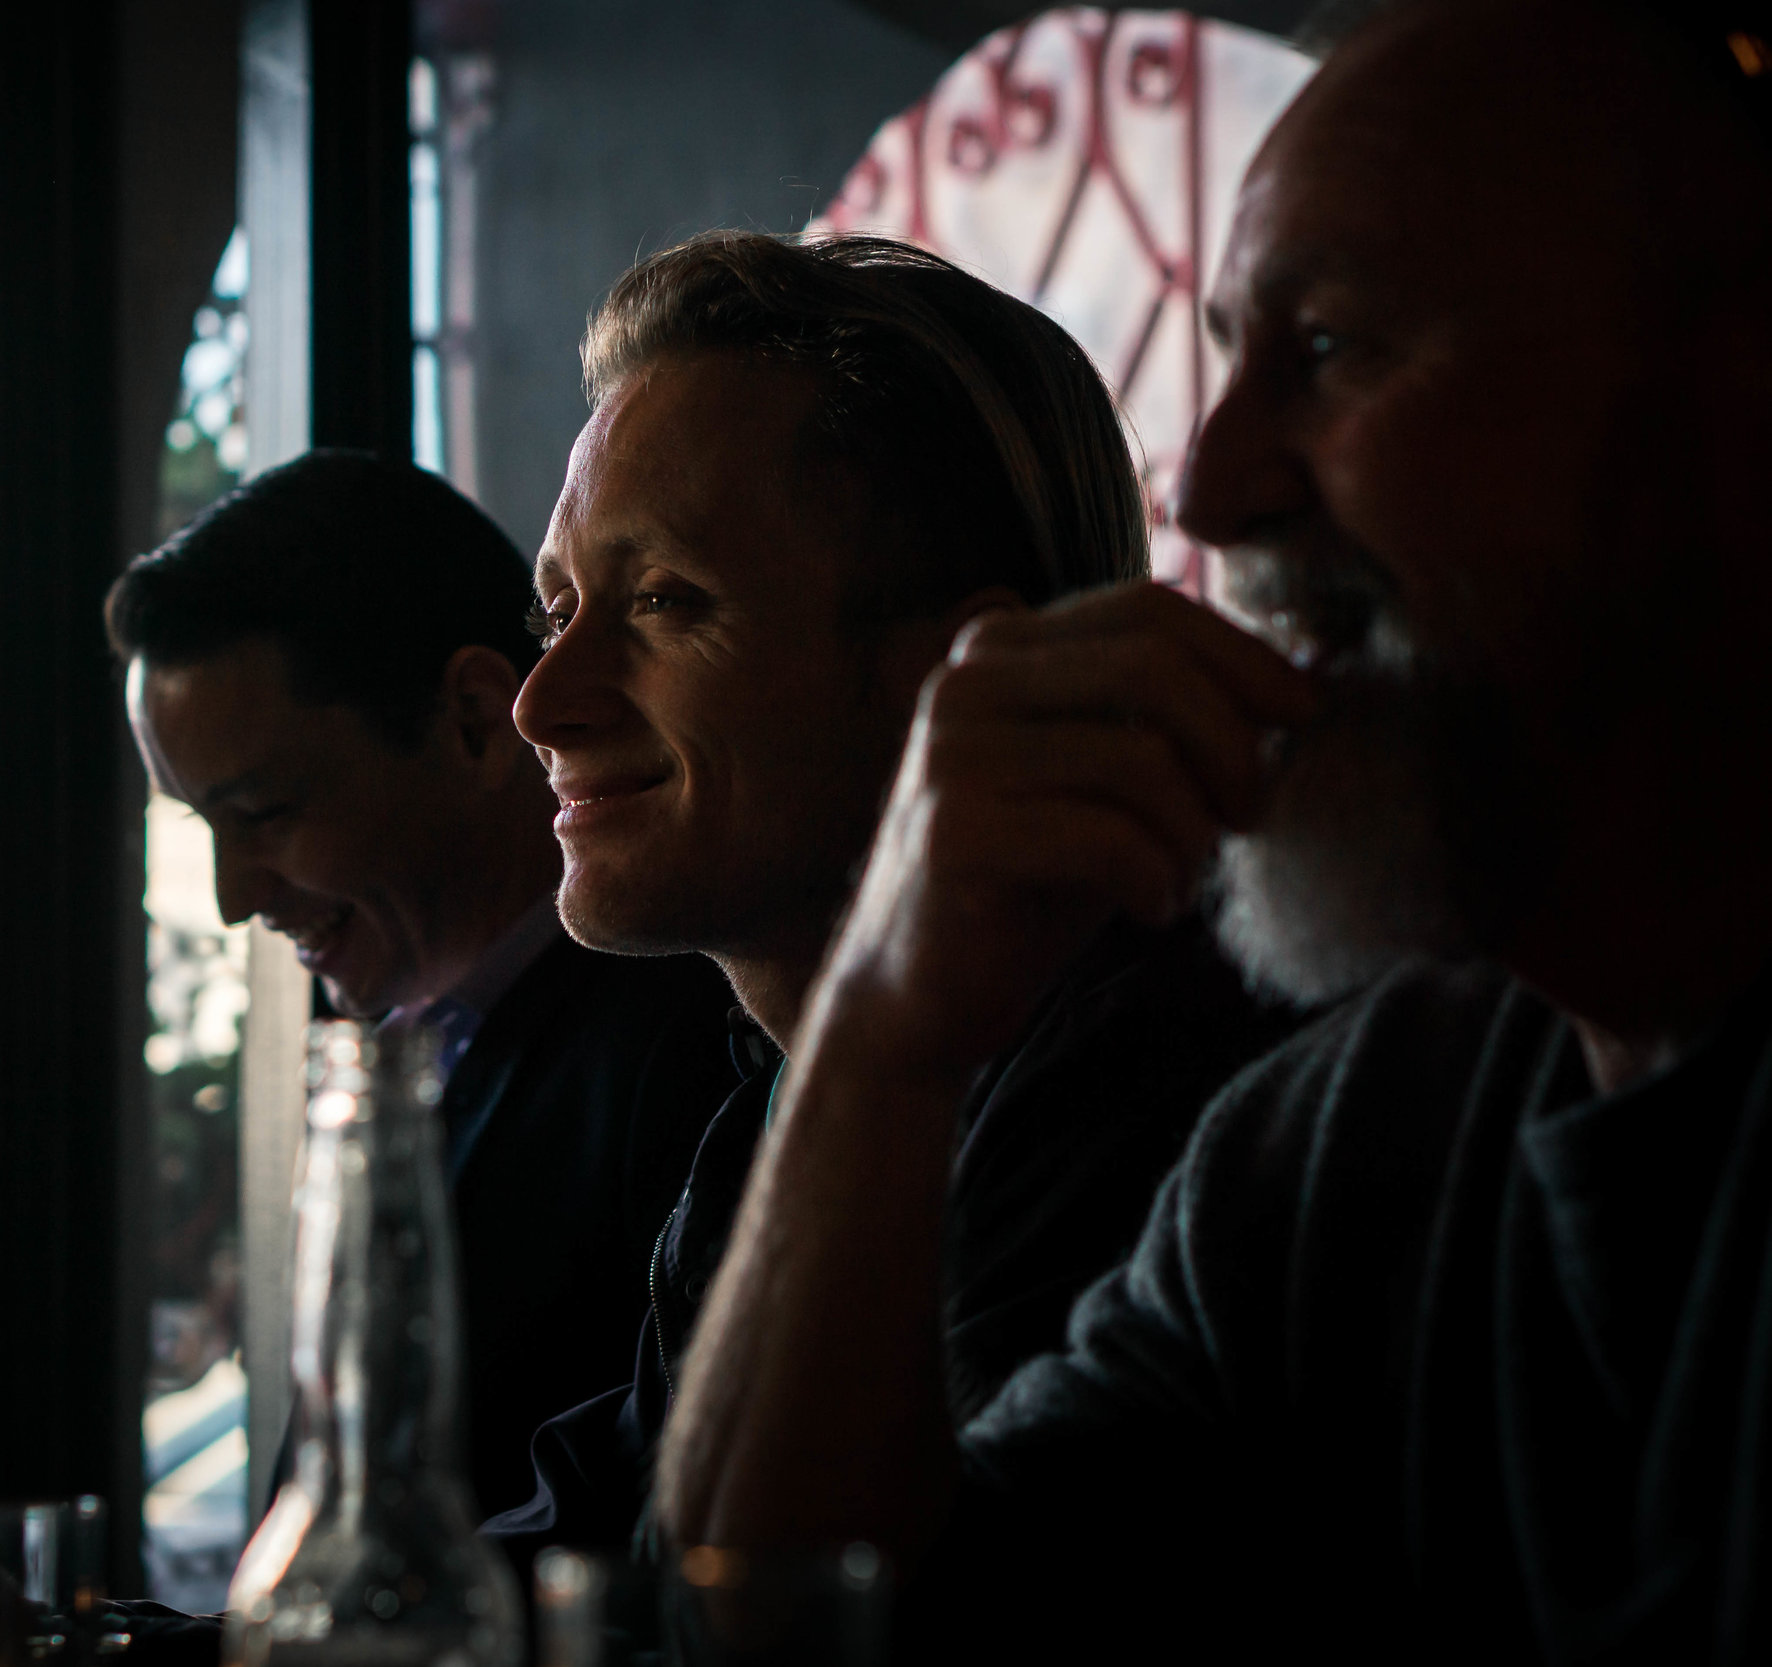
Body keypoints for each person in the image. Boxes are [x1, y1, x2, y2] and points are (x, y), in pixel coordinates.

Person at [657, 1, 1772, 1658]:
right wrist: (884, 1031)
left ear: (1740, 405)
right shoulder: (1340, 1138)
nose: (1206, 486)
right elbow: (801, 1630)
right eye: (1231, 351)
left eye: (1329, 347)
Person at [0, 452, 736, 1665]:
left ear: (471, 718)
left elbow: (592, 1571)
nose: (236, 897)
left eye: (267, 811)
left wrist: (24, 1642)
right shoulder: (421, 1060)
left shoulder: (688, 1052)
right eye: (205, 827)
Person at [482, 231, 1310, 1562]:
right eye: (556, 609)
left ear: (959, 672)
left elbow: (792, 1616)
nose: (541, 701)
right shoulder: (771, 1098)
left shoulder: (1140, 1093)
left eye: (660, 601)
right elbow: (577, 1548)